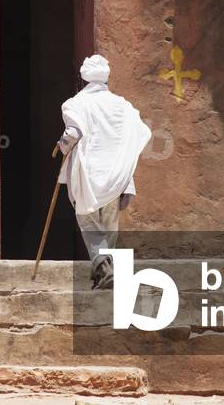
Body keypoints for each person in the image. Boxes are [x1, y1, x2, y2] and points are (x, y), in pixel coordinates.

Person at [57, 54, 151, 289]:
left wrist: (61, 146)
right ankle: (107, 272)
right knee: (109, 225)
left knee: (89, 223)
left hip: (88, 176)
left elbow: (73, 134)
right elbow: (139, 133)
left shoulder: (76, 104)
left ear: (84, 80)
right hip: (116, 177)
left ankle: (103, 267)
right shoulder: (123, 106)